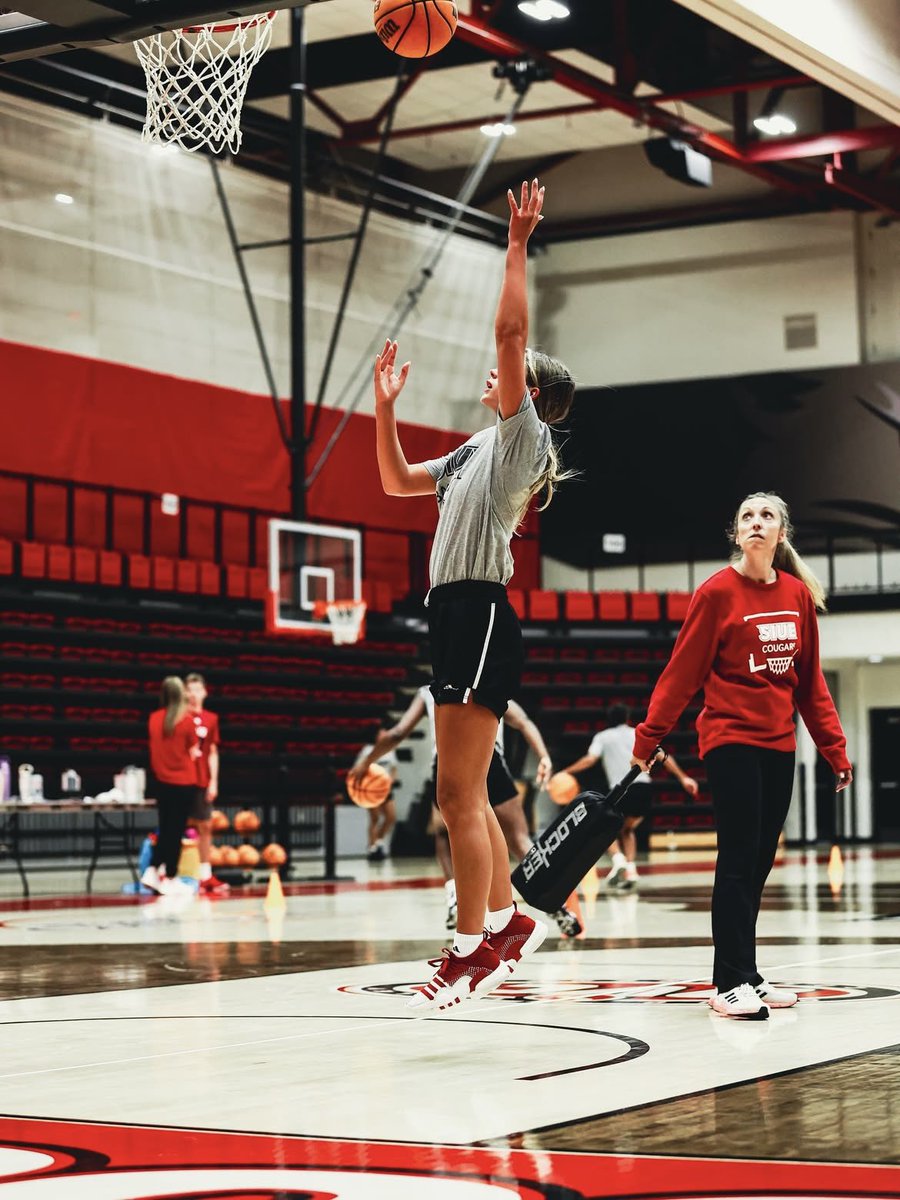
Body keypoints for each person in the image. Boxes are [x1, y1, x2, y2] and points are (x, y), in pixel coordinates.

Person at [373, 177, 576, 1013]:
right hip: (451, 614)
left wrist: (518, 244)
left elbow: (510, 328)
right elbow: (392, 483)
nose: (493, 373)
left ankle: (469, 949)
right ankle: (503, 928)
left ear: (529, 390)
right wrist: (385, 411)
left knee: (460, 797)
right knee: (466, 795)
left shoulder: (522, 436)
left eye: (509, 372)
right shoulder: (467, 454)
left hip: (482, 612)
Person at [630, 492, 852, 1021]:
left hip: (780, 744)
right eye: (747, 517)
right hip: (729, 739)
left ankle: (745, 972)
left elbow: (810, 682)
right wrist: (649, 737)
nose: (756, 523)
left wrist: (834, 749)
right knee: (736, 859)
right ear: (737, 534)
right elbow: (681, 674)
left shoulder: (796, 596)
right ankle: (727, 983)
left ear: (781, 534)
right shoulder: (715, 594)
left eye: (766, 516)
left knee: (757, 862)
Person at [350, 688, 581, 936]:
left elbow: (397, 732)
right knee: (519, 839)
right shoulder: (485, 682)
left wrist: (364, 763)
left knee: (444, 834)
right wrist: (544, 755)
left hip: (450, 761)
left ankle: (454, 897)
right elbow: (523, 721)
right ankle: (559, 907)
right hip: (490, 758)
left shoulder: (430, 690)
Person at [560, 703, 698, 890]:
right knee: (627, 830)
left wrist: (566, 772)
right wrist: (684, 778)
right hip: (644, 791)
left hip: (622, 790)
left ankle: (618, 860)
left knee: (601, 827)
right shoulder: (638, 733)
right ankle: (631, 869)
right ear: (627, 718)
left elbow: (590, 759)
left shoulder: (603, 737)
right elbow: (664, 756)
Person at [143, 675, 201, 896]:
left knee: (165, 827)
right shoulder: (186, 721)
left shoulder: (154, 719)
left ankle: (154, 868)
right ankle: (171, 875)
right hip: (183, 782)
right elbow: (193, 749)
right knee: (175, 831)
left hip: (161, 781)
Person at [184, 672, 227, 896]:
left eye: (197, 690)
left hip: (202, 779)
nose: (193, 695)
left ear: (205, 692)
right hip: (182, 779)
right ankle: (178, 872)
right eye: (189, 690)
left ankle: (205, 873)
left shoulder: (211, 719)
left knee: (205, 826)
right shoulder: (180, 718)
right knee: (181, 825)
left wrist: (213, 782)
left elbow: (212, 752)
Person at [349, 741, 398, 862]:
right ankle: (372, 848)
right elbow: (358, 768)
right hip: (371, 789)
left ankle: (378, 841)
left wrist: (391, 780)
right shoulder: (367, 750)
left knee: (391, 817)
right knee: (375, 818)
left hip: (385, 788)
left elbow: (394, 768)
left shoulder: (390, 749)